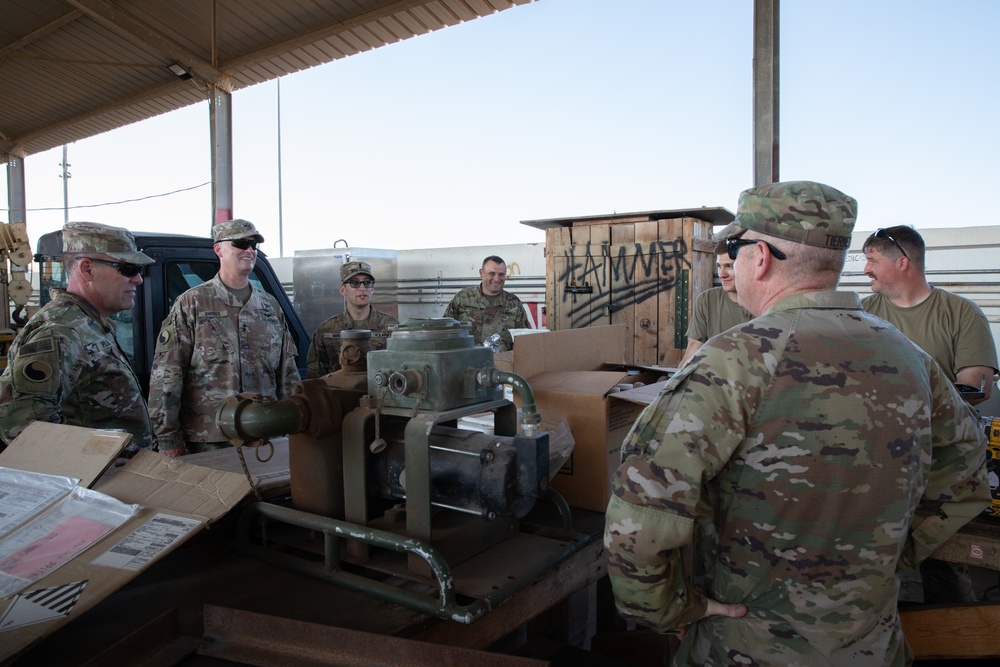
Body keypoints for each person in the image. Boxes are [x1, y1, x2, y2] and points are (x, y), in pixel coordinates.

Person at [604, 181, 990, 666]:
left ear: (759, 257)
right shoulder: (912, 360)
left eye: (734, 250)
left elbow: (638, 517)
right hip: (871, 647)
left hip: (746, 646)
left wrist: (671, 611)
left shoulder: (731, 361)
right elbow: (969, 475)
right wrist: (887, 556)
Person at [862, 224, 999, 604]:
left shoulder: (960, 314)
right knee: (871, 559)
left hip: (942, 459)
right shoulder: (862, 313)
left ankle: (955, 634)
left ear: (902, 262)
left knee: (944, 566)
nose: (865, 269)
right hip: (876, 458)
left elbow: (974, 389)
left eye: (872, 260)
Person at [0, 221, 156, 456]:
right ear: (87, 269)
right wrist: (91, 463)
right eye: (127, 269)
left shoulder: (89, 323)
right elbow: (19, 424)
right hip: (95, 485)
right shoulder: (62, 331)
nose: (138, 280)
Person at [147, 219, 300, 456]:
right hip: (209, 440)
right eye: (241, 243)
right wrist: (168, 438)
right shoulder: (192, 303)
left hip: (264, 437)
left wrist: (294, 424)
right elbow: (167, 374)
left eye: (253, 245)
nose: (249, 250)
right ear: (219, 249)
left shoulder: (270, 306)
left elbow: (288, 373)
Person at [306, 260, 398, 378]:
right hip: (339, 394)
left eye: (367, 283)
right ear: (343, 290)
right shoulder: (326, 331)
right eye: (355, 283)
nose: (362, 288)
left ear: (372, 289)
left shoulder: (390, 326)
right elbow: (315, 379)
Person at [677, 239, 752, 367]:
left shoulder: (764, 303)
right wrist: (676, 382)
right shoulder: (706, 300)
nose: (721, 274)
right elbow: (693, 349)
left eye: (729, 266)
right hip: (716, 380)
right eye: (719, 266)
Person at [443, 255, 529, 350]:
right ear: (481, 273)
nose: (496, 279)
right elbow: (445, 332)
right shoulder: (462, 298)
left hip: (501, 363)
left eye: (501, 274)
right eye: (492, 274)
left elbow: (524, 340)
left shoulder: (514, 303)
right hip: (465, 361)